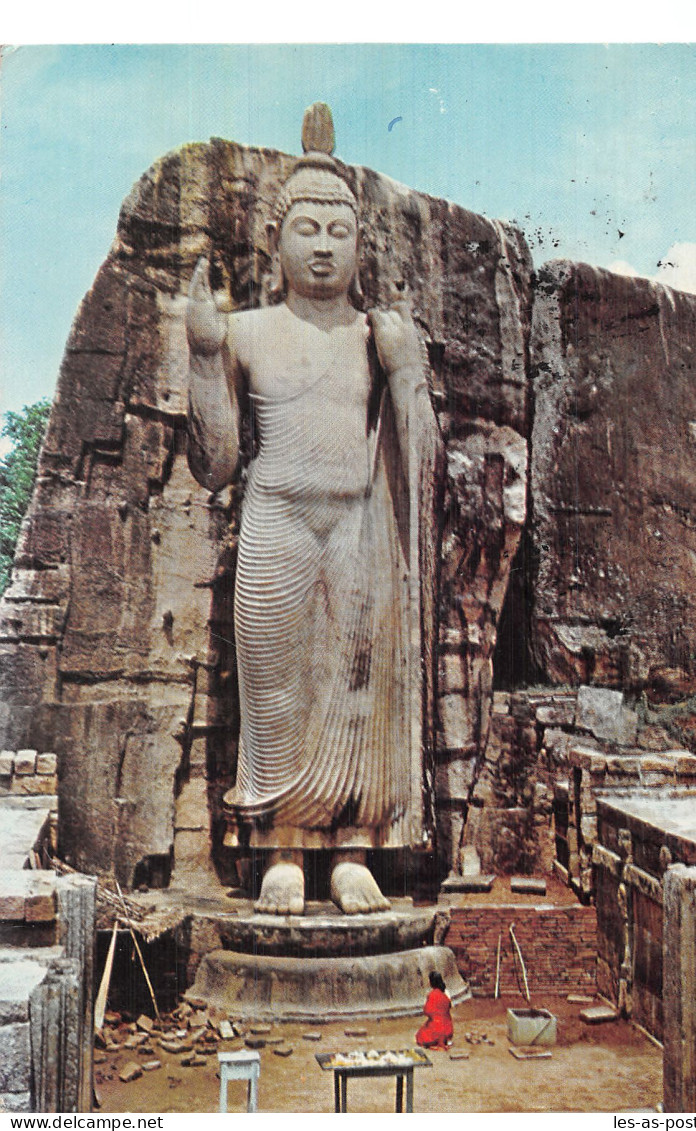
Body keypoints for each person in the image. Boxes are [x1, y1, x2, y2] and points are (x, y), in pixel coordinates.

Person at [186, 104, 441, 917]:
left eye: (339, 230)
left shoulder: (378, 334)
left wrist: (405, 373)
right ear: (275, 239)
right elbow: (217, 461)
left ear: (361, 245)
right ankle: (283, 850)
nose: (324, 246)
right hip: (278, 522)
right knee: (275, 697)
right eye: (308, 229)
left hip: (359, 529)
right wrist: (200, 356)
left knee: (356, 695)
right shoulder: (249, 332)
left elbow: (423, 454)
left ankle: (353, 850)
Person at [415, 971, 454, 1049]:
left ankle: (436, 1044)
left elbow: (427, 1011)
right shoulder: (446, 993)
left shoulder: (432, 994)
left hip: (437, 1028)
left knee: (419, 1037)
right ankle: (444, 1041)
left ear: (432, 982)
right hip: (448, 1029)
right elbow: (449, 1006)